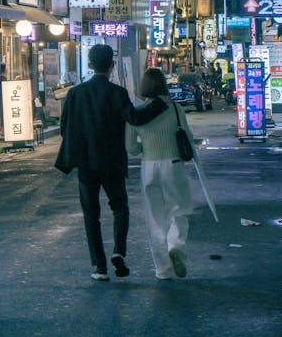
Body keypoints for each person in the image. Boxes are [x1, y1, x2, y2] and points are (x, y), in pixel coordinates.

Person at [55, 44, 168, 282]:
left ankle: (99, 267)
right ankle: (118, 250)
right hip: (113, 161)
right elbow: (135, 118)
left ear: (89, 64)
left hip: (86, 163)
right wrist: (159, 103)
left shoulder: (75, 93)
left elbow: (65, 128)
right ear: (112, 65)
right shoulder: (117, 93)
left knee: (91, 214)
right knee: (119, 207)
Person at [126, 67, 195, 280]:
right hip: (173, 164)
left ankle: (163, 270)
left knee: (155, 219)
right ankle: (175, 247)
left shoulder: (135, 114)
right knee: (179, 210)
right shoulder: (175, 109)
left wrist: (144, 149)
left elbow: (130, 147)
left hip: (149, 167)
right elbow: (188, 137)